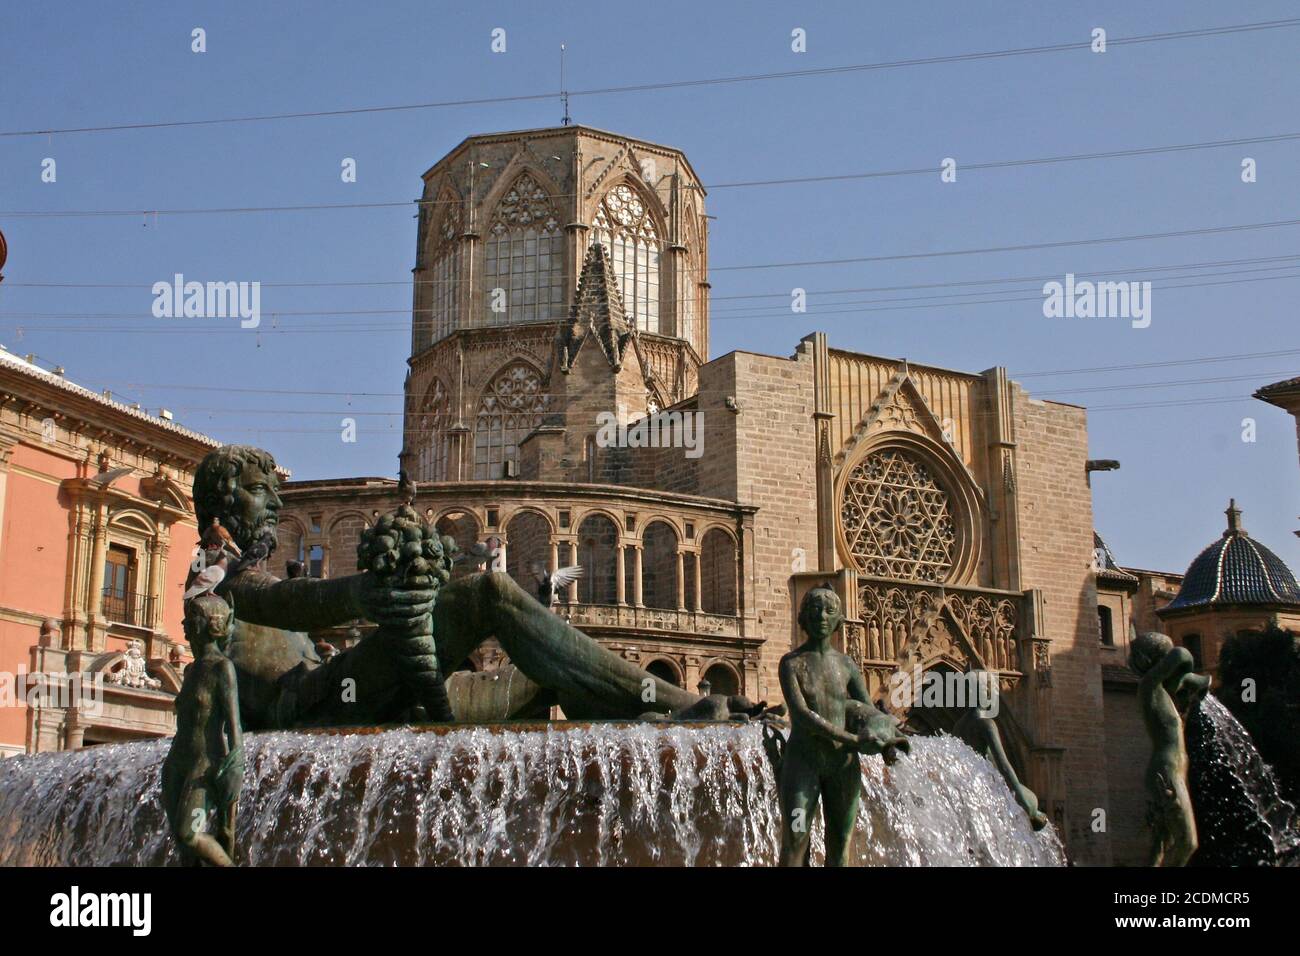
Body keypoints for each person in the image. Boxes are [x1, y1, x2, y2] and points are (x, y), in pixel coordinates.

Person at [778, 587, 909, 866]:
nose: (821, 616)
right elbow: (801, 715)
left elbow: (868, 710)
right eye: (814, 610)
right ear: (803, 618)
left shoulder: (846, 665)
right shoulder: (791, 663)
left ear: (839, 620)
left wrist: (887, 738)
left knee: (840, 842)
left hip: (842, 766)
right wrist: (852, 739)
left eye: (829, 611)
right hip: (803, 763)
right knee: (796, 838)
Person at [161, 594, 243, 866]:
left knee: (189, 833)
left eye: (192, 618)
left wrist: (235, 765)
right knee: (182, 846)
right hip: (176, 762)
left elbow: (234, 725)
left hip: (204, 765)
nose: (185, 624)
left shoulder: (223, 668)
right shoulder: (190, 670)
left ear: (212, 623)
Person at [1129, 631, 1209, 867]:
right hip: (1166, 771)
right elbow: (1181, 654)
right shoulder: (1149, 686)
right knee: (1188, 842)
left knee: (1162, 843)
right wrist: (1192, 677)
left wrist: (1186, 680)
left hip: (1172, 770)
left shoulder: (1160, 692)